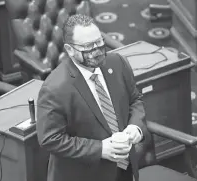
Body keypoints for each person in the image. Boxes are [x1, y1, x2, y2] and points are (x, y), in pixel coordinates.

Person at [37, 14, 148, 181]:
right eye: (88, 46)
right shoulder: (54, 88)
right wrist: (100, 148)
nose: (97, 51)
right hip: (84, 174)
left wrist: (135, 127)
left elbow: (135, 100)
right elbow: (50, 139)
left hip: (124, 169)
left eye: (99, 42)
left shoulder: (117, 63)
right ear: (70, 50)